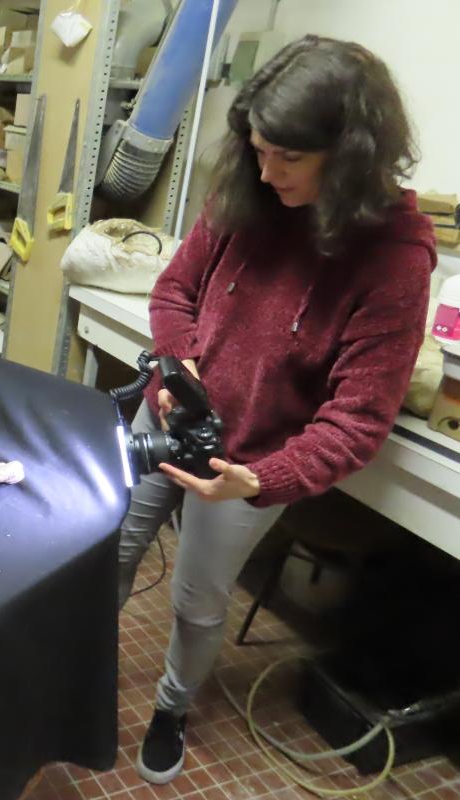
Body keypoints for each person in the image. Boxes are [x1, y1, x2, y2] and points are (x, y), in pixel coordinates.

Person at [119, 35, 434, 785]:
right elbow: (173, 292)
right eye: (257, 149)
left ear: (349, 153)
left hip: (250, 459)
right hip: (170, 417)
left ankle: (172, 705)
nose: (264, 171)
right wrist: (178, 358)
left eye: (286, 157)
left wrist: (261, 481)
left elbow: (356, 421)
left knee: (198, 605)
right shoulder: (248, 194)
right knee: (107, 550)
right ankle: (73, 672)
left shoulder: (392, 257)